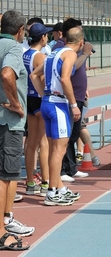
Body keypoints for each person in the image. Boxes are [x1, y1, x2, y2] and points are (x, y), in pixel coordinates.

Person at [30, 27, 84, 206]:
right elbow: (65, 79)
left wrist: (42, 94)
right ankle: (52, 192)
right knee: (59, 151)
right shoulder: (70, 54)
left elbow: (34, 74)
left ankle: (59, 188)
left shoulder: (53, 52)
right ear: (81, 42)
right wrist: (74, 105)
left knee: (55, 149)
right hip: (58, 105)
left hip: (47, 103)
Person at [0, 9, 32, 251]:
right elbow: (7, 74)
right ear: (20, 30)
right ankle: (2, 232)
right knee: (5, 176)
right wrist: (14, 102)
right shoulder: (13, 49)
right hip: (8, 122)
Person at [52, 18, 93, 182]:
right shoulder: (62, 48)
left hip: (78, 94)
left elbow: (80, 69)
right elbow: (72, 68)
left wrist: (85, 89)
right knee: (66, 134)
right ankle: (63, 170)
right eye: (78, 31)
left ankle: (71, 167)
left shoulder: (77, 47)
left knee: (74, 133)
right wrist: (84, 54)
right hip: (68, 97)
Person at [23, 23, 53, 197]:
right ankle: (45, 183)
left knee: (31, 143)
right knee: (44, 143)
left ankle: (29, 182)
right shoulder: (40, 57)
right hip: (39, 98)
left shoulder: (25, 54)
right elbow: (41, 79)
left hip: (28, 99)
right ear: (42, 37)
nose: (47, 38)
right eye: (46, 35)